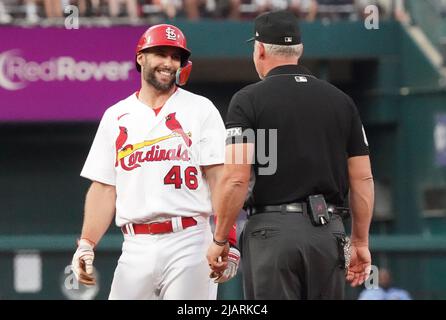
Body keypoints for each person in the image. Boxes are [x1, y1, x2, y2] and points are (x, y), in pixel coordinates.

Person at [207, 10, 374, 299]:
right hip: (328, 233)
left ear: (259, 50)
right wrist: (360, 241)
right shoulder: (341, 101)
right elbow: (363, 178)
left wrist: (221, 237)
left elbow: (235, 178)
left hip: (273, 233)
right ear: (300, 50)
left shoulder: (248, 100)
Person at [70, 24, 239, 300]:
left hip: (189, 238)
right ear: (141, 57)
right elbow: (103, 188)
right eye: (161, 53)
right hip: (135, 244)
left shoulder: (201, 109)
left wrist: (227, 240)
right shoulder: (116, 115)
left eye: (175, 57)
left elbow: (220, 179)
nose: (169, 62)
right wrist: (86, 244)